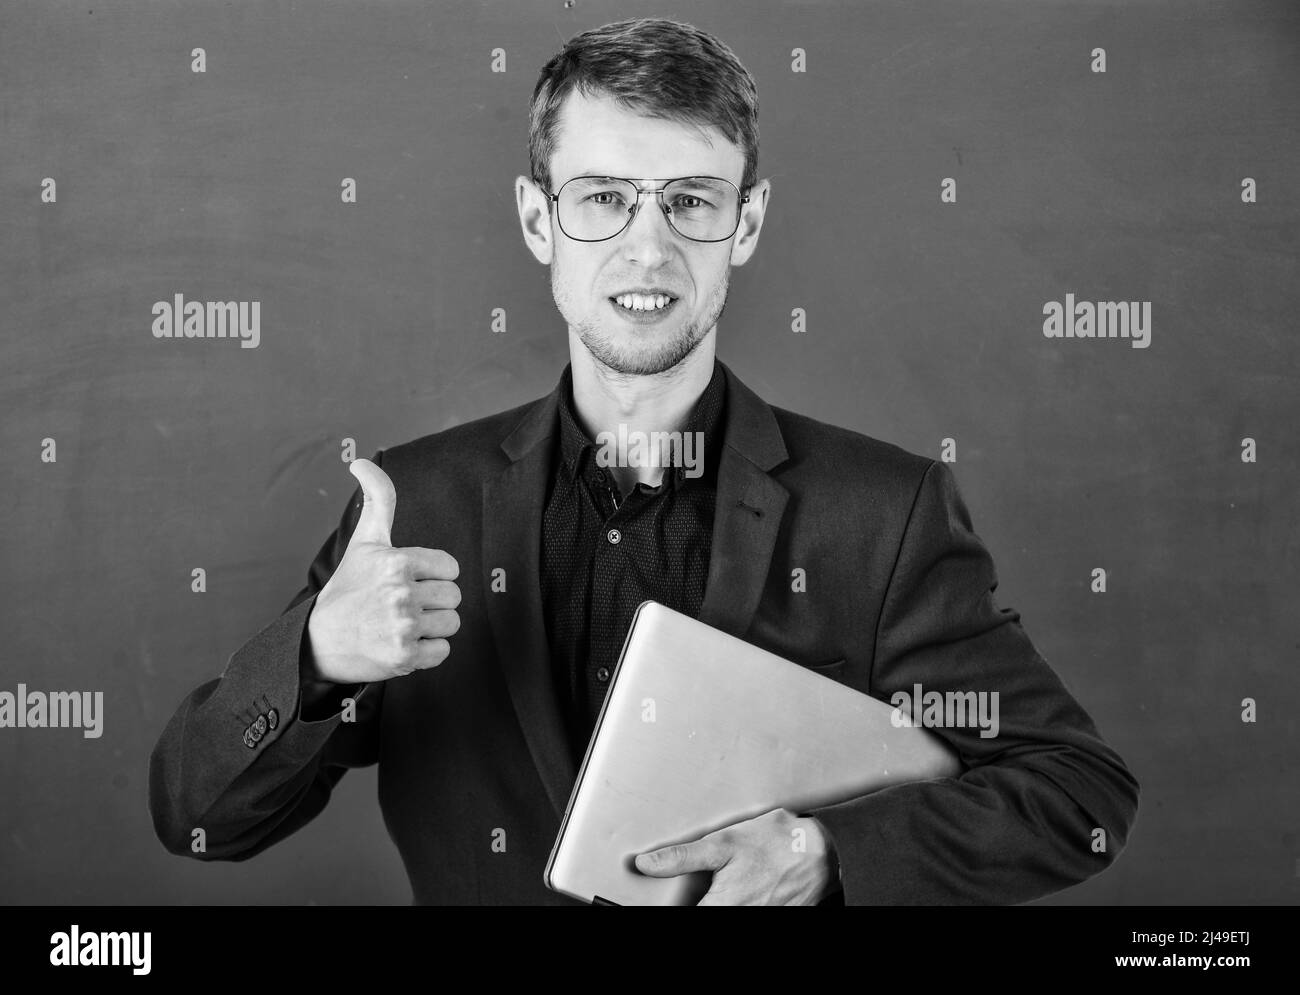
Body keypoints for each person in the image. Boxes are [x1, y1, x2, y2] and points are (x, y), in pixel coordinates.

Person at [149, 17, 1140, 905]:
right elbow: (199, 815)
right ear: (539, 220)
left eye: (690, 201)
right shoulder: (415, 507)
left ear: (744, 224)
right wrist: (318, 658)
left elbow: (1078, 790)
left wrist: (824, 850)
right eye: (604, 198)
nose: (648, 247)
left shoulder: (882, 513)